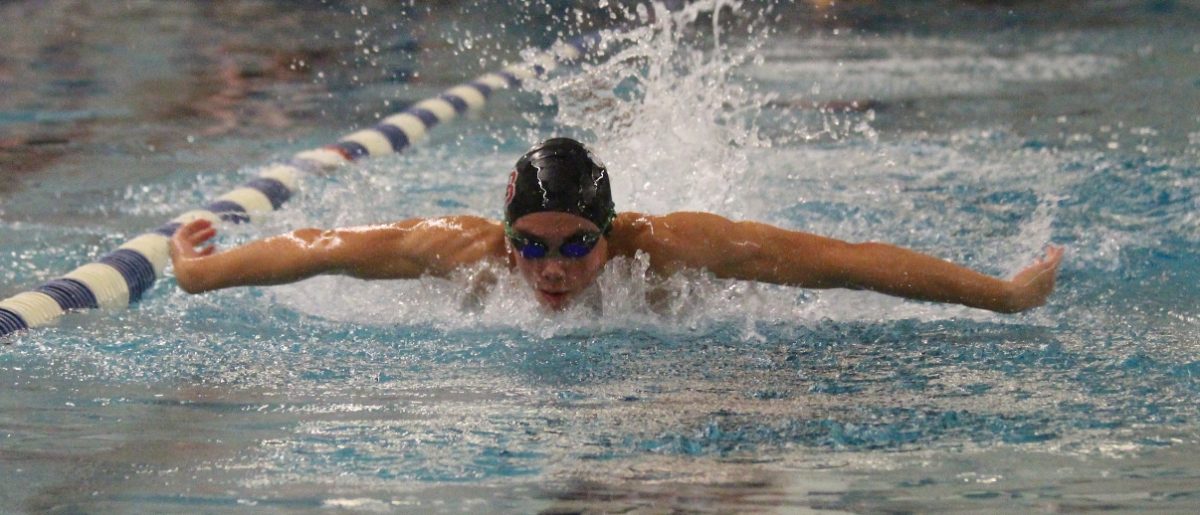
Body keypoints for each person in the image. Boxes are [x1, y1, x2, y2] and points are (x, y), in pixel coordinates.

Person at [170, 137, 1063, 313]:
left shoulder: (674, 250)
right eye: (531, 245)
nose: (548, 269)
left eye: (572, 246)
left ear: (610, 233)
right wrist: (196, 272)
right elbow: (319, 250)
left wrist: (1003, 295)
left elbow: (847, 262)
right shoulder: (466, 252)